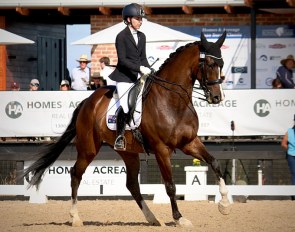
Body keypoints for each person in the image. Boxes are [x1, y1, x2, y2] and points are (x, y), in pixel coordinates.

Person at [109, 3, 151, 150]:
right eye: (138, 18)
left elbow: (143, 58)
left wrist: (150, 70)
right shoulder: (121, 36)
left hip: (139, 76)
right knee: (126, 107)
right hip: (124, 77)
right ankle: (120, 136)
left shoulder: (142, 36)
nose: (141, 21)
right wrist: (139, 68)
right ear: (128, 19)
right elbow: (123, 60)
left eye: (141, 19)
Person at [281, 114, 295, 200]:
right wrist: (290, 148)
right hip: (292, 156)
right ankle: (293, 196)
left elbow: (283, 144)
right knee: (294, 175)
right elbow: (283, 144)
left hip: (291, 155)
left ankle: (293, 196)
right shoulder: (289, 131)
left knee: (294, 175)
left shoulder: (289, 131)